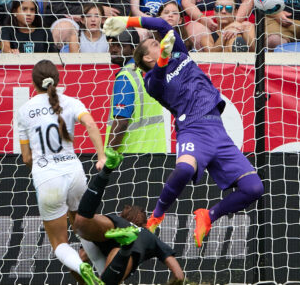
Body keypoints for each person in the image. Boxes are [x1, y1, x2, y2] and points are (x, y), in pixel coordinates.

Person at [103, 15, 264, 248]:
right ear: (147, 57)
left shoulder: (179, 53)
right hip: (192, 130)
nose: (159, 43)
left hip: (217, 130)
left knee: (254, 188)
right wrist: (163, 58)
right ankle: (156, 216)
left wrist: (128, 22)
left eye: (158, 43)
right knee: (185, 168)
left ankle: (208, 216)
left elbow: (161, 25)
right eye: (154, 46)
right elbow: (158, 74)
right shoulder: (151, 82)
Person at [16, 60, 106, 285]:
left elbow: (27, 157)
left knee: (59, 243)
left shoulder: (24, 110)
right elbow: (91, 124)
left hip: (48, 177)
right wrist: (101, 156)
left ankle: (81, 267)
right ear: (57, 78)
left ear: (33, 82)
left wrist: (39, 170)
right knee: (84, 228)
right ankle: (107, 274)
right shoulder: (72, 102)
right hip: (74, 172)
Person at [73, 160, 185, 285]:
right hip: (130, 245)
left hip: (114, 224)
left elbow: (81, 258)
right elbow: (178, 274)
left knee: (81, 222)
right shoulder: (149, 237)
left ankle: (105, 172)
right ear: (144, 224)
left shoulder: (118, 219)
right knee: (108, 281)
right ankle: (126, 246)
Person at [104, 28, 167, 154]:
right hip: (158, 152)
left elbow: (121, 123)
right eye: (112, 45)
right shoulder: (151, 73)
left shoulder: (126, 76)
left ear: (134, 49)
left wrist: (109, 155)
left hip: (130, 155)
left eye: (120, 45)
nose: (114, 49)